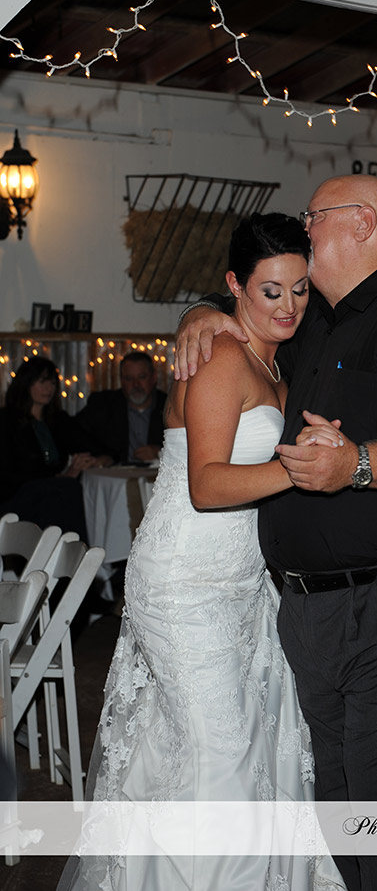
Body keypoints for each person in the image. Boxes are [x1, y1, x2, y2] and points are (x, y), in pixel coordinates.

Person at [175, 175, 377, 891]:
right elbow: (251, 339)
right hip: (317, 611)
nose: (304, 228)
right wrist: (201, 314)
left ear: (360, 223)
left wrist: (356, 464)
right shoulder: (319, 321)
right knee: (338, 801)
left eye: (313, 217)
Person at [60, 213, 344, 891]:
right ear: (235, 286)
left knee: (225, 744)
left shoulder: (273, 357)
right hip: (185, 584)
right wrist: (303, 466)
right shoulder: (219, 355)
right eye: (271, 291)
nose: (289, 306)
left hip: (242, 585)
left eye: (300, 289)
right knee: (223, 753)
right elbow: (209, 486)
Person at [0, 357, 107, 539]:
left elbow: (95, 445)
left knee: (64, 493)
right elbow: (8, 474)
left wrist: (97, 459)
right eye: (42, 382)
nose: (49, 388)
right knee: (66, 491)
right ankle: (74, 551)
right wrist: (59, 478)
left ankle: (70, 552)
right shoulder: (6, 421)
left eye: (52, 383)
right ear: (26, 383)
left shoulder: (58, 420)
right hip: (16, 496)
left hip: (52, 494)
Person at [75, 351, 167, 464]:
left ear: (154, 378)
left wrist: (160, 453)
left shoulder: (169, 406)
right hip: (113, 474)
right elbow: (75, 433)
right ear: (121, 381)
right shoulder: (103, 405)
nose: (136, 384)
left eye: (142, 377)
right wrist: (102, 456)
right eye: (129, 378)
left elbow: (184, 446)